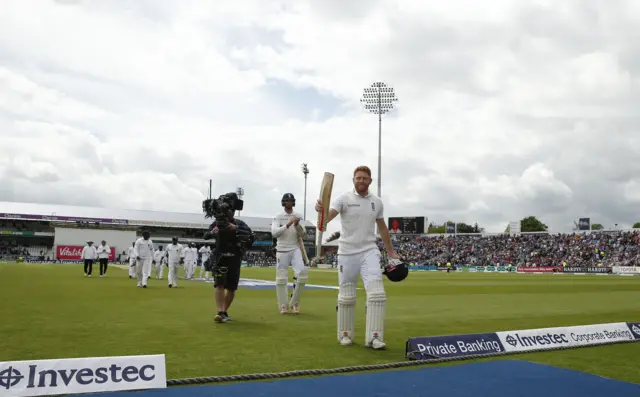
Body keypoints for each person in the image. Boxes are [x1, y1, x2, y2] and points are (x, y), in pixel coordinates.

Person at [315, 165, 399, 350]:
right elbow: (327, 218)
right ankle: (345, 334)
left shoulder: (376, 202)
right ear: (353, 180)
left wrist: (391, 251)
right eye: (358, 178)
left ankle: (374, 337)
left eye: (364, 178)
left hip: (369, 250)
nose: (361, 180)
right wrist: (320, 211)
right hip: (346, 252)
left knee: (377, 293)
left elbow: (383, 227)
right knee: (346, 296)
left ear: (370, 180)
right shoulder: (344, 199)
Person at [207, 192, 254, 323]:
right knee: (219, 284)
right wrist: (213, 232)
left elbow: (251, 237)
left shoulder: (240, 224)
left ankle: (224, 311)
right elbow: (207, 235)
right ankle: (220, 311)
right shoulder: (217, 223)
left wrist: (236, 229)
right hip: (220, 255)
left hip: (235, 256)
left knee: (232, 287)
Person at [271, 193, 308, 314]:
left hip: (294, 248)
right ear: (283, 202)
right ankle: (283, 305)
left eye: (291, 201)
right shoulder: (278, 216)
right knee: (281, 279)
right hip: (281, 249)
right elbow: (274, 233)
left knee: (302, 274)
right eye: (286, 201)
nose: (288, 203)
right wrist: (288, 224)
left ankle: (295, 303)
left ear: (293, 202)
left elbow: (303, 234)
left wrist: (296, 225)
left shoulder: (298, 216)